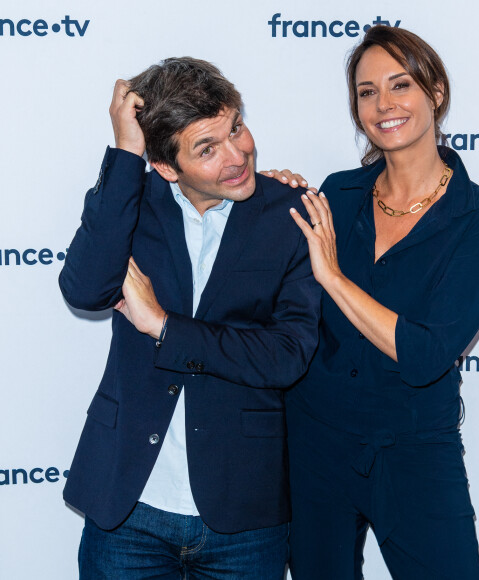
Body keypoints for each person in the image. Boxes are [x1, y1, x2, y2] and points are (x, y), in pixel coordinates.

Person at [58, 57, 320, 579]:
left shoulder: (291, 214)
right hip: (128, 506)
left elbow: (287, 356)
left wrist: (164, 327)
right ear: (166, 166)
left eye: (236, 128)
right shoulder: (133, 200)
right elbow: (85, 289)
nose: (238, 155)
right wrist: (126, 151)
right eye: (208, 148)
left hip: (243, 513)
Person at [279, 25, 479, 579]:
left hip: (413, 450)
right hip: (315, 442)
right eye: (366, 92)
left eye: (400, 84)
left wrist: (334, 278)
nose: (384, 104)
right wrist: (264, 194)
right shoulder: (335, 194)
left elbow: (426, 353)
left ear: (435, 93)